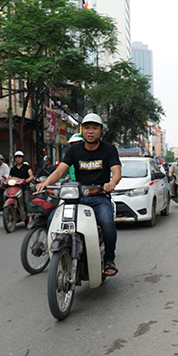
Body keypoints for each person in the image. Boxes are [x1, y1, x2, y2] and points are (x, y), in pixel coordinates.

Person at [37, 114, 122, 277]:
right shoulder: (74, 150)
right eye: (87, 128)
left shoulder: (109, 149)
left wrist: (112, 183)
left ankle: (110, 259)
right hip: (76, 197)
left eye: (95, 128)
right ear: (82, 130)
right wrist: (45, 183)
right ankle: (55, 253)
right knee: (52, 218)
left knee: (107, 222)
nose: (90, 132)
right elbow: (60, 171)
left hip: (99, 197)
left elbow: (116, 172)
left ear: (101, 131)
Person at [9, 150, 35, 219]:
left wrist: (29, 179)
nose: (18, 158)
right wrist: (6, 180)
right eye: (16, 157)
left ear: (22, 158)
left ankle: (30, 218)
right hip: (16, 188)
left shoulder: (26, 167)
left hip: (25, 187)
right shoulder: (13, 169)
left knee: (26, 201)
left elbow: (31, 175)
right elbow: (10, 176)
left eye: (19, 157)